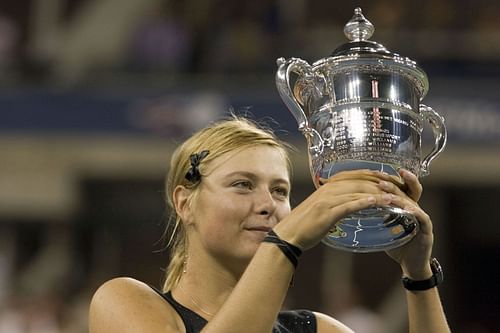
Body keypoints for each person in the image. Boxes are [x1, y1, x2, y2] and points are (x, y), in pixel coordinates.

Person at [88, 115, 450, 333]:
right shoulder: (125, 305)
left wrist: (418, 277)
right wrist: (286, 240)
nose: (267, 205)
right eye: (242, 185)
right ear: (185, 203)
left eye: (279, 190)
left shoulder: (317, 329)